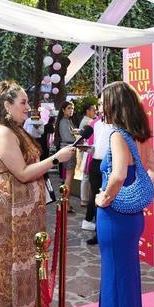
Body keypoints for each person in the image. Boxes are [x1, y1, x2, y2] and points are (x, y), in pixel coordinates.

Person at [0, 81, 75, 307]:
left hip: (24, 210)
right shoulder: (2, 132)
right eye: (23, 103)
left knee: (26, 265)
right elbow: (22, 173)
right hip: (9, 209)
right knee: (8, 267)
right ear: (7, 106)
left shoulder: (16, 131)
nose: (28, 107)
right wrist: (57, 159)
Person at [94, 81, 154, 307]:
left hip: (115, 218)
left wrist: (106, 198)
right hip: (132, 218)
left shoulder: (117, 136)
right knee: (126, 280)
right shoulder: (142, 136)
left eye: (103, 102)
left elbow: (118, 174)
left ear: (114, 105)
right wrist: (136, 195)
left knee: (114, 281)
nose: (99, 107)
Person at [83, 98, 111, 243]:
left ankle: (107, 231)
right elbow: (97, 144)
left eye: (102, 103)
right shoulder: (97, 124)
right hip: (95, 162)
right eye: (99, 104)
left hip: (110, 164)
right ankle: (98, 232)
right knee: (95, 197)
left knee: (107, 197)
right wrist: (88, 149)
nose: (100, 107)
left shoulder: (117, 124)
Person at [54, 101, 77, 211]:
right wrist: (78, 137)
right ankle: (65, 203)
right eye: (69, 108)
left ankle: (66, 202)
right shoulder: (64, 121)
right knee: (68, 178)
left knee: (68, 177)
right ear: (63, 110)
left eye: (72, 108)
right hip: (68, 148)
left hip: (69, 148)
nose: (71, 110)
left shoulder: (68, 120)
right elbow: (68, 137)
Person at [79, 104, 97, 207]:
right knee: (86, 176)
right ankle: (85, 199)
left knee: (86, 176)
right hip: (87, 151)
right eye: (93, 110)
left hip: (88, 150)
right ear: (87, 111)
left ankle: (85, 198)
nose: (95, 112)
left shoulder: (89, 121)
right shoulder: (89, 122)